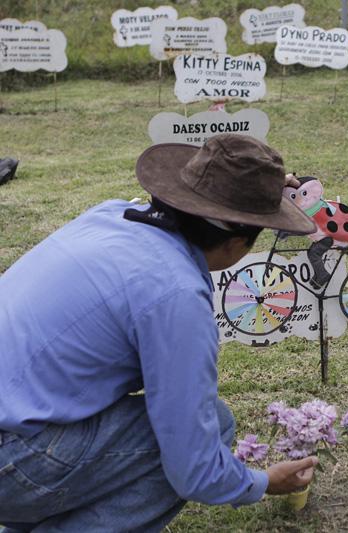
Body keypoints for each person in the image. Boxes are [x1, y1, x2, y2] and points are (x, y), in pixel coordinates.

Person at [0, 134, 320, 531]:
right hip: (11, 464)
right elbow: (194, 465)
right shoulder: (176, 293)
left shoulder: (109, 215)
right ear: (238, 244)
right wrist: (261, 483)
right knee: (212, 426)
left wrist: (261, 192)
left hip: (14, 429)